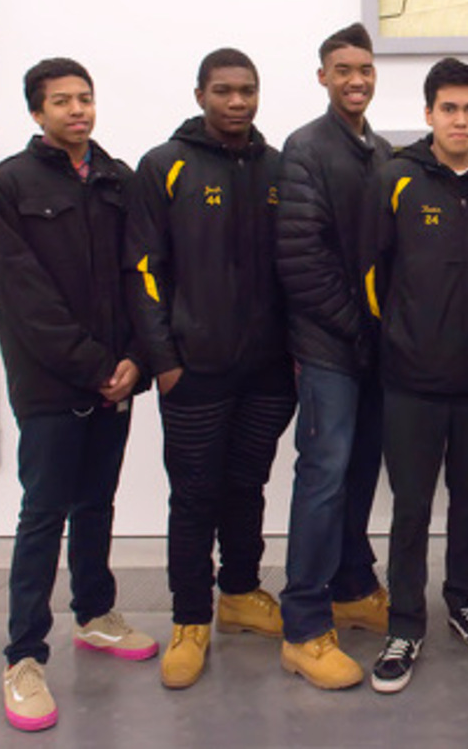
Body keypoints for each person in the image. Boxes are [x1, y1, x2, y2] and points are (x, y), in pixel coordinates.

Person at [0, 57, 155, 732]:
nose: (77, 110)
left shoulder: (117, 179)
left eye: (84, 98)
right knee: (43, 512)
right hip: (53, 382)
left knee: (97, 501)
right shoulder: (10, 185)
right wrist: (90, 364)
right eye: (61, 101)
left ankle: (95, 613)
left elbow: (142, 272)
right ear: (36, 112)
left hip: (118, 376)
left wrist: (136, 358)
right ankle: (23, 656)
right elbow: (23, 293)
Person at [126, 47, 297, 690]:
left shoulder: (280, 168)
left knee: (247, 485)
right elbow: (142, 269)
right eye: (223, 90)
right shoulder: (165, 166)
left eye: (247, 90)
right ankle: (190, 619)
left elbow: (297, 269)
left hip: (268, 373)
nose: (237, 102)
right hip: (193, 371)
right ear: (200, 94)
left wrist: (293, 354)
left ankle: (241, 592)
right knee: (194, 496)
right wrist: (164, 361)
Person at [361, 57, 468, 693]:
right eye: (448, 109)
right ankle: (405, 623)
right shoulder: (395, 179)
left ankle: (465, 604)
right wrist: (396, 345)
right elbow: (370, 277)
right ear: (428, 115)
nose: (460, 119)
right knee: (412, 509)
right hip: (411, 382)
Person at [275, 22, 393, 690]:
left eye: (366, 69)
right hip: (328, 349)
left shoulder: (375, 149)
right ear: (323, 76)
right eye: (343, 69)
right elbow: (302, 262)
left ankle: (352, 586)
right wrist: (357, 330)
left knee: (357, 475)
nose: (356, 79)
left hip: (370, 349)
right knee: (322, 479)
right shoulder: (307, 149)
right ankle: (304, 626)